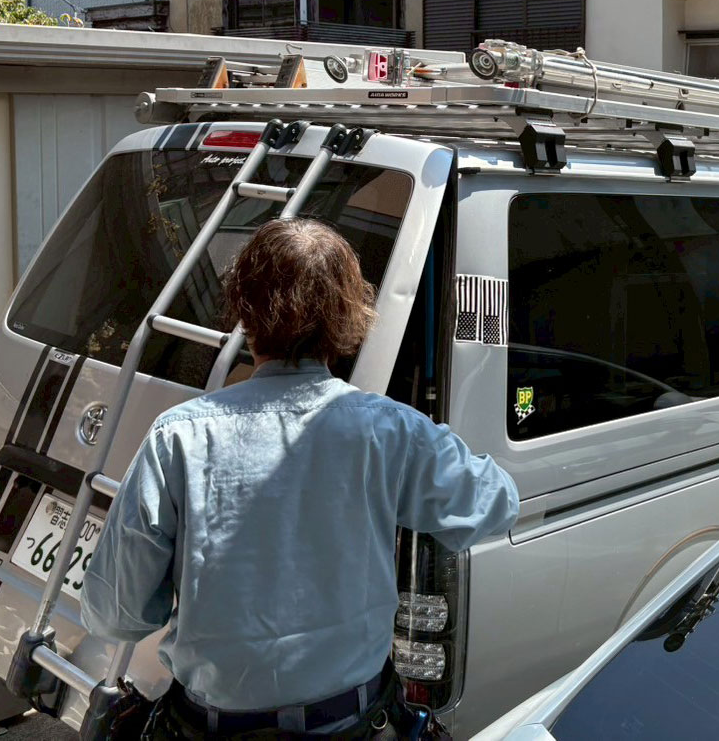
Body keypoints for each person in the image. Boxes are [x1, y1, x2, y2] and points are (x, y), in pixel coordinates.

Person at [80, 218, 519, 739]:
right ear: (347, 315)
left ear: (245, 310)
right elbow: (496, 504)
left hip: (207, 726)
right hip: (354, 725)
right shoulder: (388, 430)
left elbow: (116, 616)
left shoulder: (178, 437)